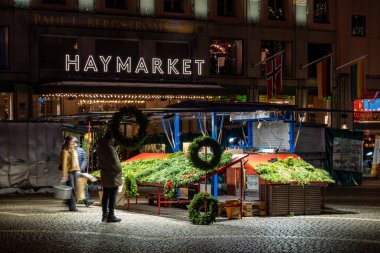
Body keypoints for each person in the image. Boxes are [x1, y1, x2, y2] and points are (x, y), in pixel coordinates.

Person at [96, 131, 122, 223]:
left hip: (105, 173)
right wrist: (120, 169)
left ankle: (104, 215)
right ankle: (111, 215)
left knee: (105, 194)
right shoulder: (109, 148)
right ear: (111, 139)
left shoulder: (100, 147)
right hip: (113, 175)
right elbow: (115, 163)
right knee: (112, 195)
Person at [60, 136, 81, 212]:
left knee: (75, 189)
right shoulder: (65, 151)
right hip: (70, 172)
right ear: (68, 142)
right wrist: (65, 175)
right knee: (71, 189)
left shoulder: (74, 150)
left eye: (74, 141)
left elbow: (77, 162)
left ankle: (71, 203)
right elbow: (64, 164)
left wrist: (79, 170)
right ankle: (72, 207)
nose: (73, 143)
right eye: (72, 141)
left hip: (75, 171)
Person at [73, 137, 94, 207]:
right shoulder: (70, 150)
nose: (75, 144)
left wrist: (81, 168)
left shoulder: (81, 150)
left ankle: (87, 201)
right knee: (73, 187)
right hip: (72, 171)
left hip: (80, 171)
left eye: (76, 142)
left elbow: (85, 160)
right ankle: (72, 201)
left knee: (82, 186)